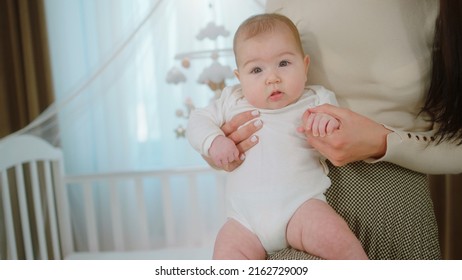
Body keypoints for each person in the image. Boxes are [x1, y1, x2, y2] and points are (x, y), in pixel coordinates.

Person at [207, 0, 462, 260]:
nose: (273, 76)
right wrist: (215, 145)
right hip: (289, 212)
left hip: (395, 211)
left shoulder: (437, 9)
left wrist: (383, 143)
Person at [187, 14, 368, 260]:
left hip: (301, 208)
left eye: (283, 63)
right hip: (243, 222)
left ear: (305, 67)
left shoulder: (316, 99)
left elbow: (340, 126)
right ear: (240, 78)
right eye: (257, 69)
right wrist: (214, 141)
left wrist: (327, 122)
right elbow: (196, 121)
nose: (272, 78)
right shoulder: (232, 99)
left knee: (341, 243)